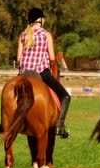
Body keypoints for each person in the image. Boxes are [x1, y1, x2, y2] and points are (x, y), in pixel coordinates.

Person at [17, 7, 71, 138]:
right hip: (41, 72)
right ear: (40, 20)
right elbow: (52, 58)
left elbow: (18, 59)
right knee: (66, 97)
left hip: (23, 73)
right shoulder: (46, 35)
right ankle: (60, 126)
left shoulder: (23, 35)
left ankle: (4, 123)